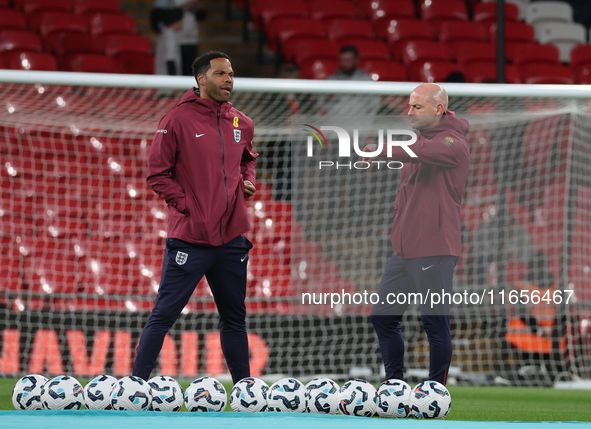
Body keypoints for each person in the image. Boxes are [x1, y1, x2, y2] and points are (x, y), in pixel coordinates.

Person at [132, 51, 258, 383]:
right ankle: (135, 388)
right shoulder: (175, 120)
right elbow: (157, 174)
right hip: (190, 237)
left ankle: (245, 392)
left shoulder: (242, 122)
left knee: (235, 318)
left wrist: (249, 181)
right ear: (202, 79)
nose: (228, 79)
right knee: (163, 315)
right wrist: (188, 204)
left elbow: (248, 159)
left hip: (231, 238)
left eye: (231, 74)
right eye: (220, 74)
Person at [363, 83, 470, 385]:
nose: (409, 112)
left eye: (416, 107)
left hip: (435, 249)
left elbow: (418, 151)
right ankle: (394, 384)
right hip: (405, 251)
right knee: (383, 316)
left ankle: (435, 391)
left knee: (434, 323)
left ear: (438, 109)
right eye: (409, 106)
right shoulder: (420, 142)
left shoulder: (453, 141)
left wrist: (381, 149)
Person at [151, 0, 207, 76]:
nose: (182, 23)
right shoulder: (170, 37)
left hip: (165, 77)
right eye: (181, 20)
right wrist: (174, 82)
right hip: (167, 79)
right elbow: (170, 60)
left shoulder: (168, 34)